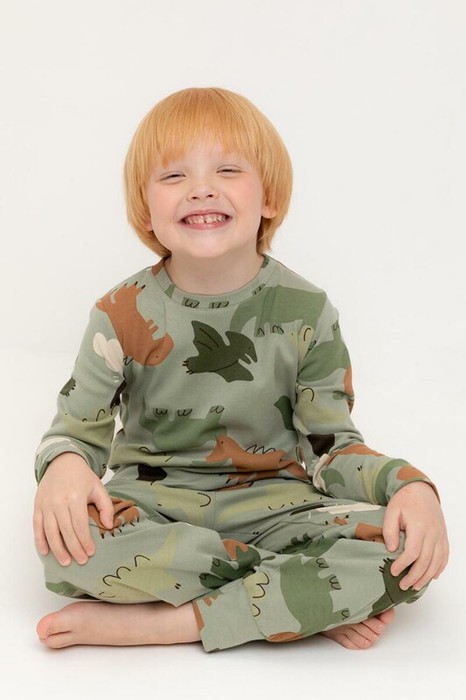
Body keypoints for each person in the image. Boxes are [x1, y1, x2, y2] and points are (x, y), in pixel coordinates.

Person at [33, 87, 449, 652]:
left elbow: (331, 448)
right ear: (146, 209)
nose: (201, 188)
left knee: (404, 551)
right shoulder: (118, 313)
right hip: (155, 508)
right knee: (67, 545)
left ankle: (173, 623)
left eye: (227, 170)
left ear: (268, 196)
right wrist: (62, 467)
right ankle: (297, 600)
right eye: (174, 176)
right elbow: (76, 433)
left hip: (280, 508)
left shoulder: (308, 312)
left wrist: (411, 486)